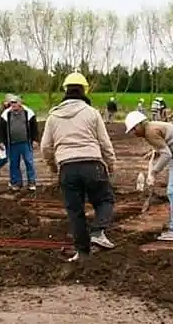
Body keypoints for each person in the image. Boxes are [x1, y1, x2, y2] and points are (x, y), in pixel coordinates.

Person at [41, 72, 117, 262]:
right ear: (84, 90)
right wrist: (111, 164)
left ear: (65, 90)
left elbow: (45, 147)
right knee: (105, 200)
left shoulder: (53, 116)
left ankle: (82, 253)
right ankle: (98, 232)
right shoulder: (92, 113)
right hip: (92, 164)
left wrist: (53, 166)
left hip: (67, 167)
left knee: (75, 211)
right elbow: (105, 143)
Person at [125, 110, 173, 241]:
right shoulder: (151, 128)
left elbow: (167, 154)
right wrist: (156, 152)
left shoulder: (150, 131)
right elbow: (163, 148)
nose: (133, 133)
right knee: (172, 191)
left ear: (141, 124)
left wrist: (153, 172)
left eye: (134, 129)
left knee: (172, 191)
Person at [0, 95, 39, 191]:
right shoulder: (5, 114)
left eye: (15, 102)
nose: (13, 104)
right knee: (13, 164)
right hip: (12, 144)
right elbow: (0, 129)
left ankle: (31, 182)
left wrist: (35, 140)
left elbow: (34, 128)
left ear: (20, 103)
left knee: (29, 162)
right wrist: (0, 141)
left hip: (25, 142)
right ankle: (16, 183)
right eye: (11, 103)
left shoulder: (28, 113)